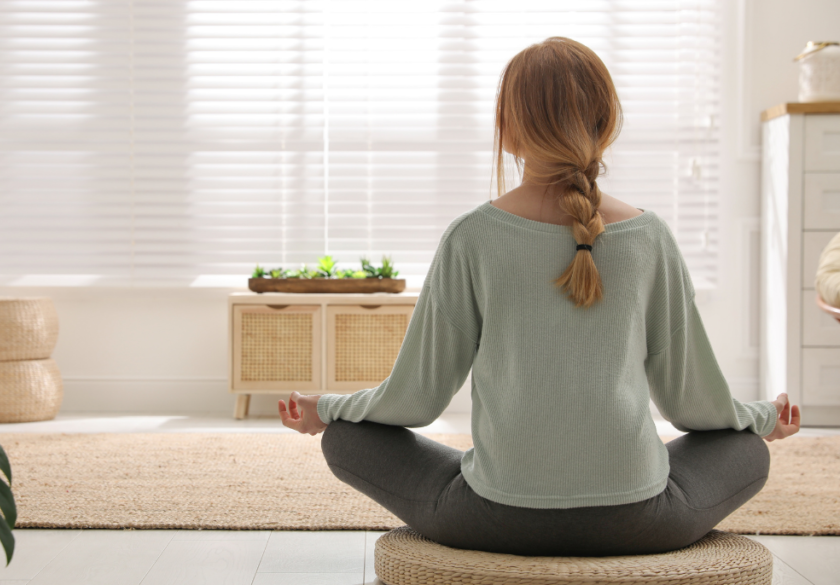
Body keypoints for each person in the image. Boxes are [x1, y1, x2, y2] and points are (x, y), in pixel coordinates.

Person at [277, 37, 801, 557]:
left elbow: (416, 398)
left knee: (345, 439)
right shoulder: (649, 237)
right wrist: (761, 418)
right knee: (745, 450)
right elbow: (693, 404)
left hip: (495, 519)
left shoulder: (471, 237)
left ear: (506, 130)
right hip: (639, 522)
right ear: (607, 125)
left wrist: (328, 407)